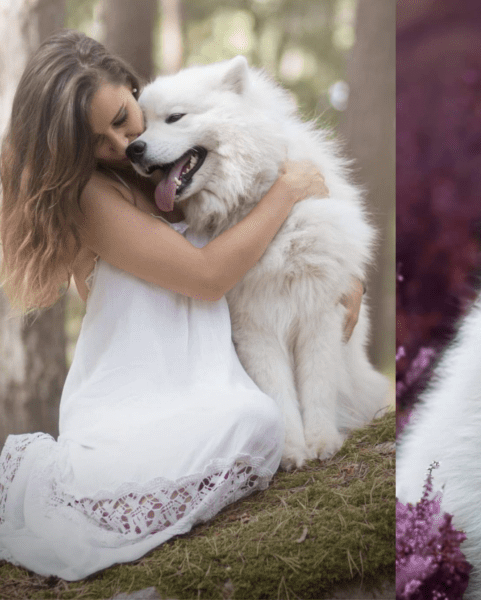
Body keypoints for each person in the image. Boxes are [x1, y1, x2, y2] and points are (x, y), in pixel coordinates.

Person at [0, 30, 357, 580]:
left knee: (256, 418)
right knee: (256, 423)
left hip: (197, 384)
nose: (121, 145)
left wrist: (343, 281)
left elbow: (265, 267)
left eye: (123, 117)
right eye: (96, 140)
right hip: (133, 407)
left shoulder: (169, 168)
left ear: (133, 86)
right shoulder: (93, 197)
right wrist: (288, 189)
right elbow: (208, 276)